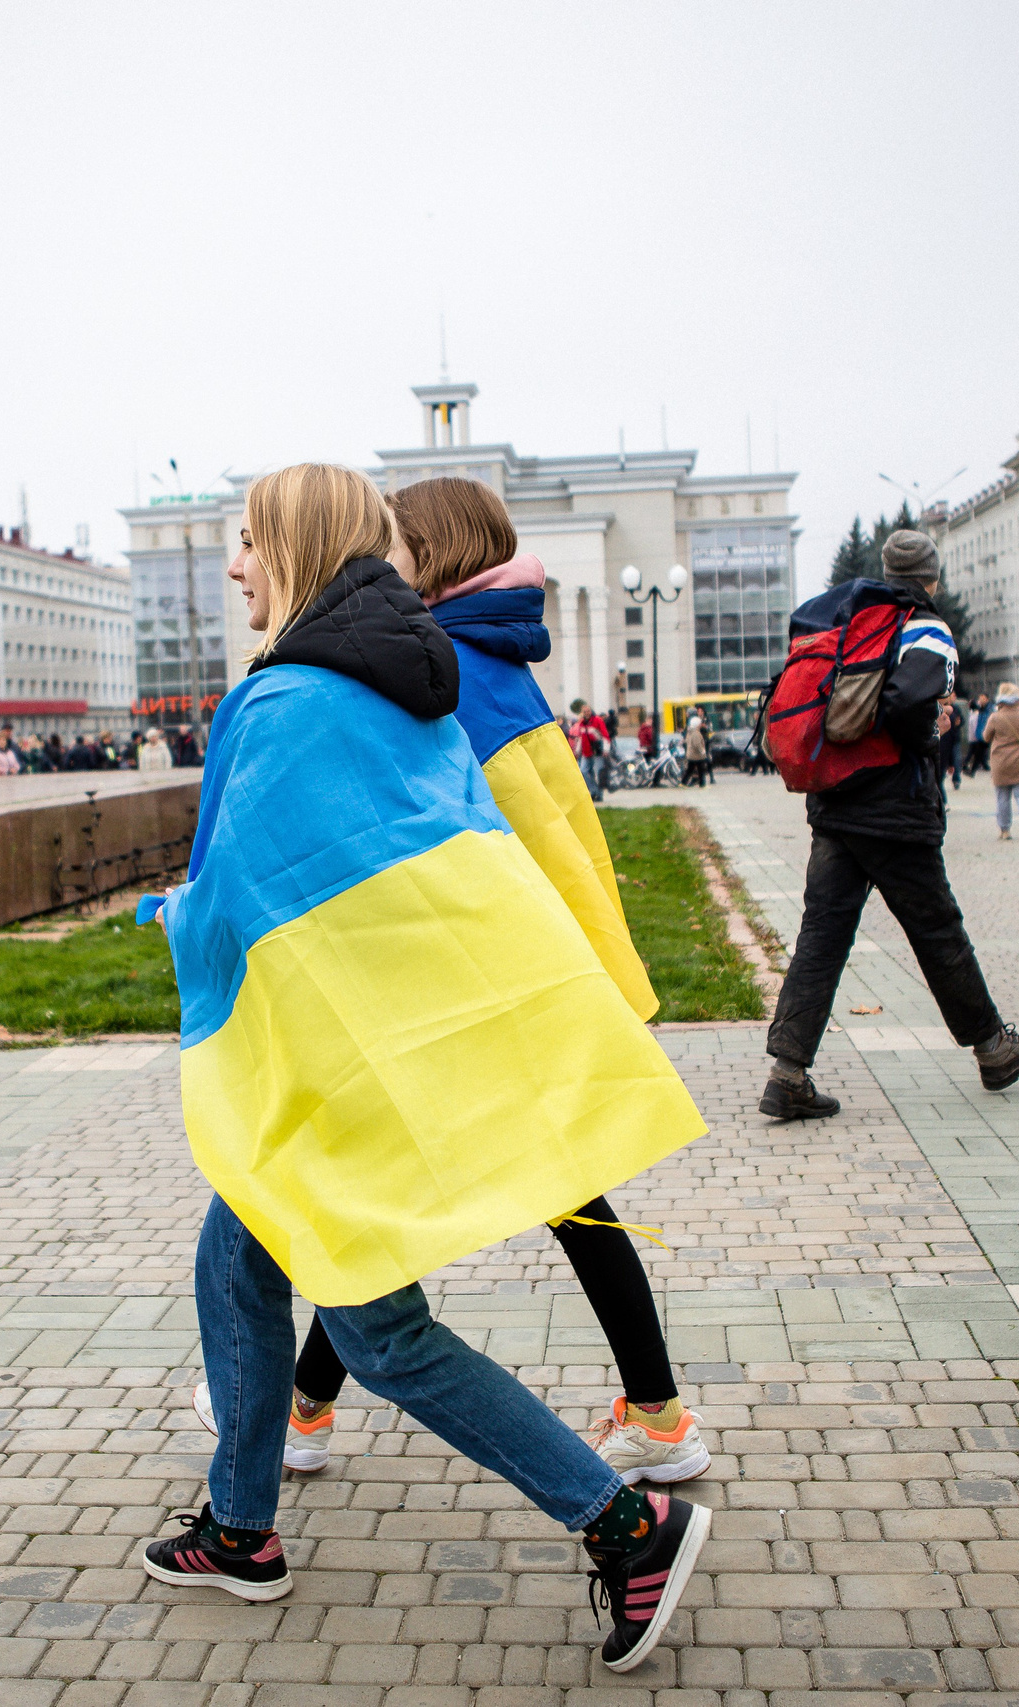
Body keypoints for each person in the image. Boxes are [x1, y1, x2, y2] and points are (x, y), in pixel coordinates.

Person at [144, 464, 711, 1671]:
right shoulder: (406, 683)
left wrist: (177, 922)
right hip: (389, 1042)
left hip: (336, 1066)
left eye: (245, 543)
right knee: (233, 1260)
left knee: (381, 1334)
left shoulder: (284, 701)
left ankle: (627, 1526)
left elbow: (243, 895)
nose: (235, 567)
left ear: (289, 546)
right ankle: (240, 1528)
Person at [243, 473, 705, 1490]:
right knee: (541, 1198)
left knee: (400, 1189)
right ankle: (658, 1417)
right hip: (543, 969)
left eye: (394, 543)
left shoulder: (441, 666)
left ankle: (303, 1410)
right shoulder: (498, 659)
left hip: (496, 980)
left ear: (430, 553)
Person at [758, 528, 1019, 1121]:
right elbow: (903, 703)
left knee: (821, 936)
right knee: (937, 929)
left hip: (835, 803)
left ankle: (788, 1073)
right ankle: (995, 1049)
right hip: (894, 809)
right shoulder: (924, 624)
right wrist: (932, 731)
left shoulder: (852, 616)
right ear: (932, 578)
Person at [987, 683, 1019, 840]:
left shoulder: (995, 717)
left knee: (1002, 796)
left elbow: (986, 736)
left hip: (1001, 761)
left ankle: (1005, 830)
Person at [569, 699, 611, 801]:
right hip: (586, 752)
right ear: (582, 713)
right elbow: (580, 738)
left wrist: (606, 749)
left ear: (590, 711)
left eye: (588, 711)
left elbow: (605, 735)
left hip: (597, 752)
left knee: (597, 773)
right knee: (584, 771)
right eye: (584, 712)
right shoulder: (582, 723)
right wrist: (577, 752)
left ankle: (599, 795)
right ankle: (593, 790)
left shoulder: (597, 721)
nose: (586, 713)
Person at [965, 692, 992, 777]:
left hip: (985, 734)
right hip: (980, 734)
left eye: (982, 698)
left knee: (979, 753)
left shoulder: (989, 708)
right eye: (980, 698)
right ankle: (974, 770)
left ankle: (973, 770)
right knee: (979, 754)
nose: (980, 700)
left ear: (987, 699)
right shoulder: (981, 708)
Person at [682, 711, 710, 786]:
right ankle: (702, 784)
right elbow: (697, 744)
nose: (701, 724)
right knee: (701, 770)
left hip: (692, 754)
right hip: (697, 755)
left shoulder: (690, 732)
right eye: (700, 723)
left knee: (690, 770)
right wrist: (703, 751)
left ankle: (684, 783)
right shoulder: (696, 733)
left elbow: (687, 741)